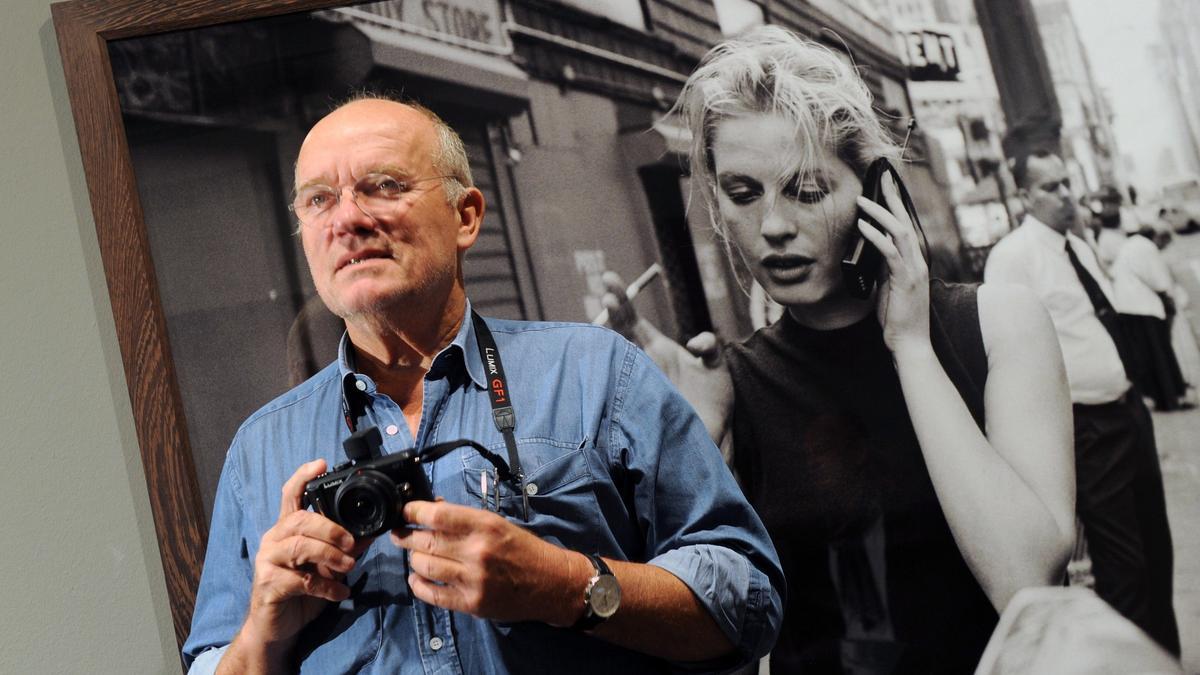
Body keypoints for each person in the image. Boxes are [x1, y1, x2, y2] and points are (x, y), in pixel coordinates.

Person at [181, 96, 784, 674]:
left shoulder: (597, 373)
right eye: (318, 199)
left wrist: (563, 586)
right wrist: (263, 633)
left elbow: (749, 600)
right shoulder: (257, 451)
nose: (347, 219)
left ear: (466, 216)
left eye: (383, 186)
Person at [604, 27, 1075, 674]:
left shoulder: (996, 325)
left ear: (874, 193)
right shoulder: (731, 382)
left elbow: (1027, 581)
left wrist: (909, 347)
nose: (771, 226)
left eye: (805, 190)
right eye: (743, 194)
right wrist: (685, 449)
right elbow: (701, 633)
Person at [984, 149, 1180, 655]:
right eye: (1052, 186)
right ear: (1025, 196)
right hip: (1084, 425)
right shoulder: (1014, 256)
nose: (1067, 194)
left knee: (1157, 550)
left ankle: (1163, 659)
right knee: (1123, 565)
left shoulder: (1078, 245)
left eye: (1068, 182)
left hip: (1126, 410)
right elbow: (1006, 349)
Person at [1108, 226, 1188, 411]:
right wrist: (1169, 295)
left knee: (1145, 356)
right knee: (1160, 354)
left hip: (1125, 305)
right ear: (1158, 237)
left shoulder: (1129, 245)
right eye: (1164, 244)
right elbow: (1159, 279)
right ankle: (1172, 398)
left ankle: (1159, 398)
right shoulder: (1146, 247)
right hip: (1144, 306)